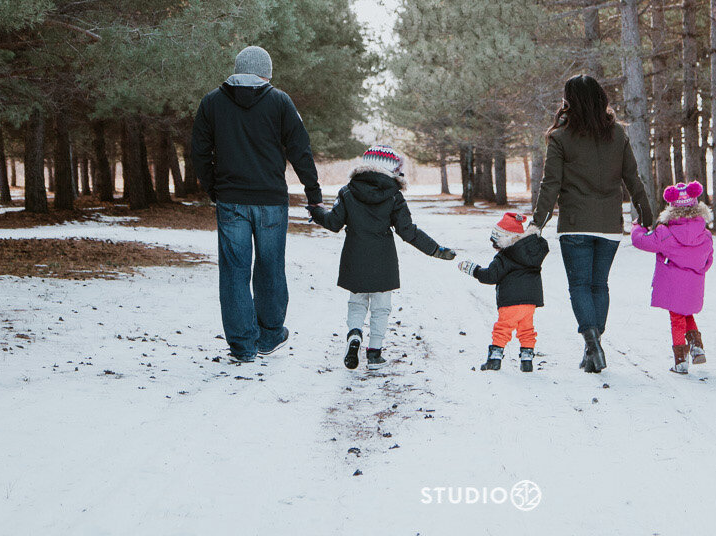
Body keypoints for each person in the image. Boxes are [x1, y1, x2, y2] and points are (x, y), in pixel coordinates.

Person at [190, 45, 321, 364]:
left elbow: (199, 152)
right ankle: (270, 334)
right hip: (271, 202)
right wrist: (313, 193)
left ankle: (242, 346)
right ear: (266, 73)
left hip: (231, 200)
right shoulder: (279, 101)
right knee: (270, 266)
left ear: (237, 70)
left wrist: (213, 189)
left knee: (234, 272)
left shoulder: (212, 102)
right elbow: (300, 150)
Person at [530, 74, 653, 374]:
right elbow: (632, 179)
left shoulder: (560, 138)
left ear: (569, 100)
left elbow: (551, 184)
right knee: (600, 285)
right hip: (610, 225)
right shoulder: (618, 135)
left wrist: (537, 223)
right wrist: (646, 213)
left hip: (575, 225)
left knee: (580, 286)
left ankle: (591, 343)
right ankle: (593, 345)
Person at [306, 144, 455, 368]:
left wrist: (316, 212)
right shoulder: (394, 196)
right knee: (381, 307)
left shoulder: (347, 191)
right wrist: (436, 250)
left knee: (357, 302)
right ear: (391, 169)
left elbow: (333, 223)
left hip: (354, 255)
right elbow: (408, 231)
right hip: (383, 258)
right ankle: (374, 354)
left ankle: (354, 335)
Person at [631, 181, 714, 373]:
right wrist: (697, 270)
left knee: (677, 318)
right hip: (694, 284)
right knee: (687, 313)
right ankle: (697, 346)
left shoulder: (665, 233)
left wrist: (637, 226)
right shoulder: (705, 234)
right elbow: (708, 261)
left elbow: (640, 241)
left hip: (673, 284)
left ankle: (680, 362)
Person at [457, 212, 548, 372]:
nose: (495, 247)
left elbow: (490, 276)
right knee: (527, 329)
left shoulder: (505, 257)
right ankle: (527, 361)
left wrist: (474, 270)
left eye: (496, 243)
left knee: (503, 328)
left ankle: (494, 359)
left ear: (505, 240)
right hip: (530, 303)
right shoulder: (530, 254)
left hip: (511, 302)